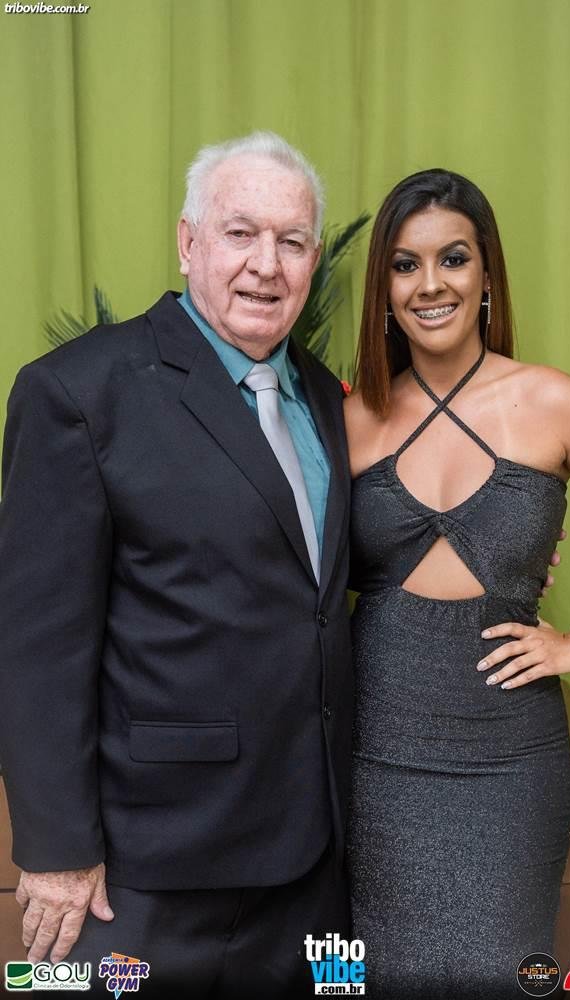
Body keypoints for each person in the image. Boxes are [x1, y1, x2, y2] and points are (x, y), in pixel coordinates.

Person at [0, 131, 354, 997]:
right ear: (188, 242)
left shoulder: (323, 395)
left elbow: (317, 586)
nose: (266, 264)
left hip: (311, 855)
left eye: (292, 241)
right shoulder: (79, 392)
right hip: (145, 865)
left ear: (312, 261)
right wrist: (56, 850)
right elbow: (36, 645)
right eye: (240, 233)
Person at [343, 168, 570, 999]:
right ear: (384, 289)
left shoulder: (547, 400)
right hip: (379, 758)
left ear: (486, 273)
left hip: (509, 763)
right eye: (405, 264)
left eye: (452, 258)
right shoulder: (349, 418)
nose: (430, 284)